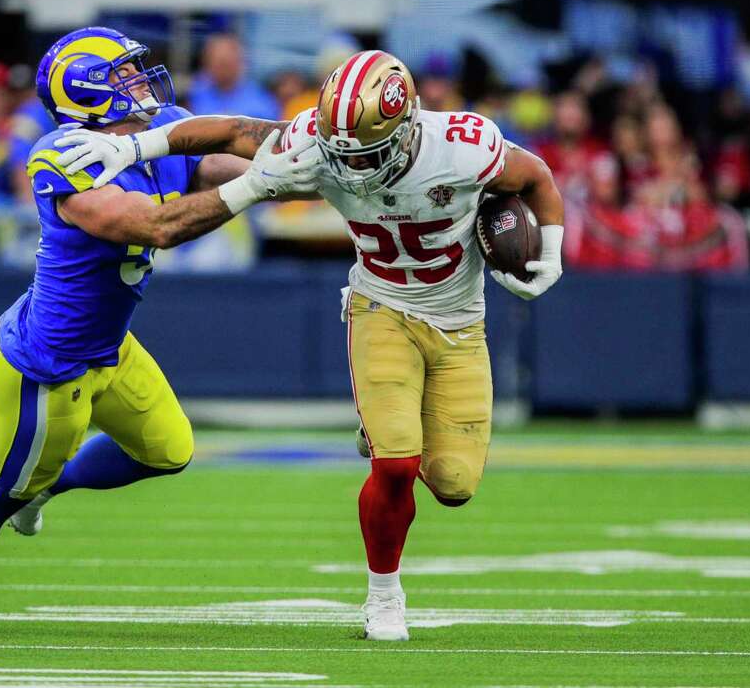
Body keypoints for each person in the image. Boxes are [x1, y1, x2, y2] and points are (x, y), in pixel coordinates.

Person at [53, 49, 565, 641]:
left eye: (369, 152)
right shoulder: (319, 140)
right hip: (381, 306)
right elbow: (230, 131)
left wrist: (548, 250)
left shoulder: (464, 145)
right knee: (396, 466)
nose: (352, 168)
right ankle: (384, 596)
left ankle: (384, 425)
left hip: (459, 322)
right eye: (342, 152)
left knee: (453, 485)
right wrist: (132, 147)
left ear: (407, 125)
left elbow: (537, 178)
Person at [0, 26, 319, 630]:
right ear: (87, 90)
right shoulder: (61, 156)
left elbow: (224, 155)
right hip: (50, 362)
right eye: (122, 73)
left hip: (110, 347)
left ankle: (49, 485)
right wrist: (259, 185)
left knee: (169, 451)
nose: (140, 80)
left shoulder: (157, 125)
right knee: (3, 488)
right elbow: (156, 226)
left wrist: (316, 151)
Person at [186, 33, 279, 119]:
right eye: (214, 62)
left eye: (225, 64)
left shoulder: (260, 99)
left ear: (241, 63)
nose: (221, 70)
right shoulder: (195, 92)